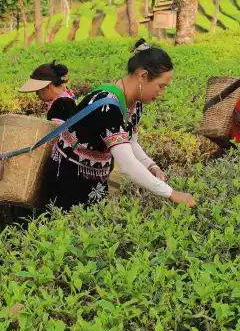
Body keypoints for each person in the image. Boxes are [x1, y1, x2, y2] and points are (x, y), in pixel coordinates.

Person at [40, 39, 195, 211]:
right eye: (161, 86)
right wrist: (172, 193)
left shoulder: (134, 104)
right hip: (68, 180)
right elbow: (127, 163)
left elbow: (130, 143)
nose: (161, 92)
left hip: (94, 179)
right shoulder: (107, 106)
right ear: (143, 76)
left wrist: (151, 166)